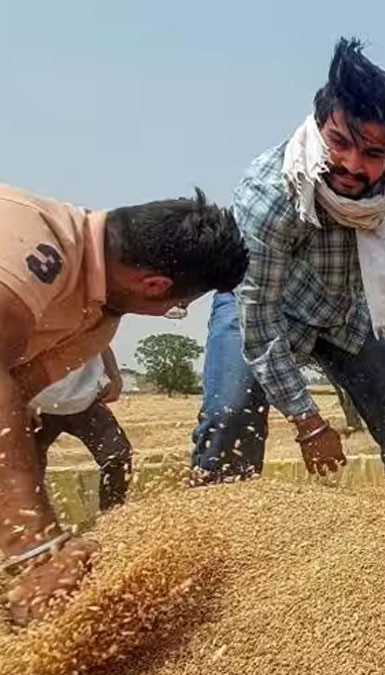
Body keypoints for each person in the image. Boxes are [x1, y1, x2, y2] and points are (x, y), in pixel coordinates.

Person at [190, 37, 385, 485]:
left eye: (373, 154)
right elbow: (260, 326)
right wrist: (309, 422)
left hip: (341, 317)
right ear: (319, 124)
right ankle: (211, 536)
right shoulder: (272, 194)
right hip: (264, 309)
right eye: (339, 142)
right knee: (229, 420)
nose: (352, 164)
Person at [1, 183, 248, 628]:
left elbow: (17, 394)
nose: (175, 311)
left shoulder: (97, 322)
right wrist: (36, 548)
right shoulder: (33, 243)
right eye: (179, 306)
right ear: (154, 285)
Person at [28, 347, 133, 513]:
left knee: (118, 456)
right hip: (37, 404)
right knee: (25, 468)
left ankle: (112, 518)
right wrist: (19, 398)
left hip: (86, 399)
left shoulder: (92, 320)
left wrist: (115, 377)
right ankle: (30, 528)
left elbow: (102, 341)